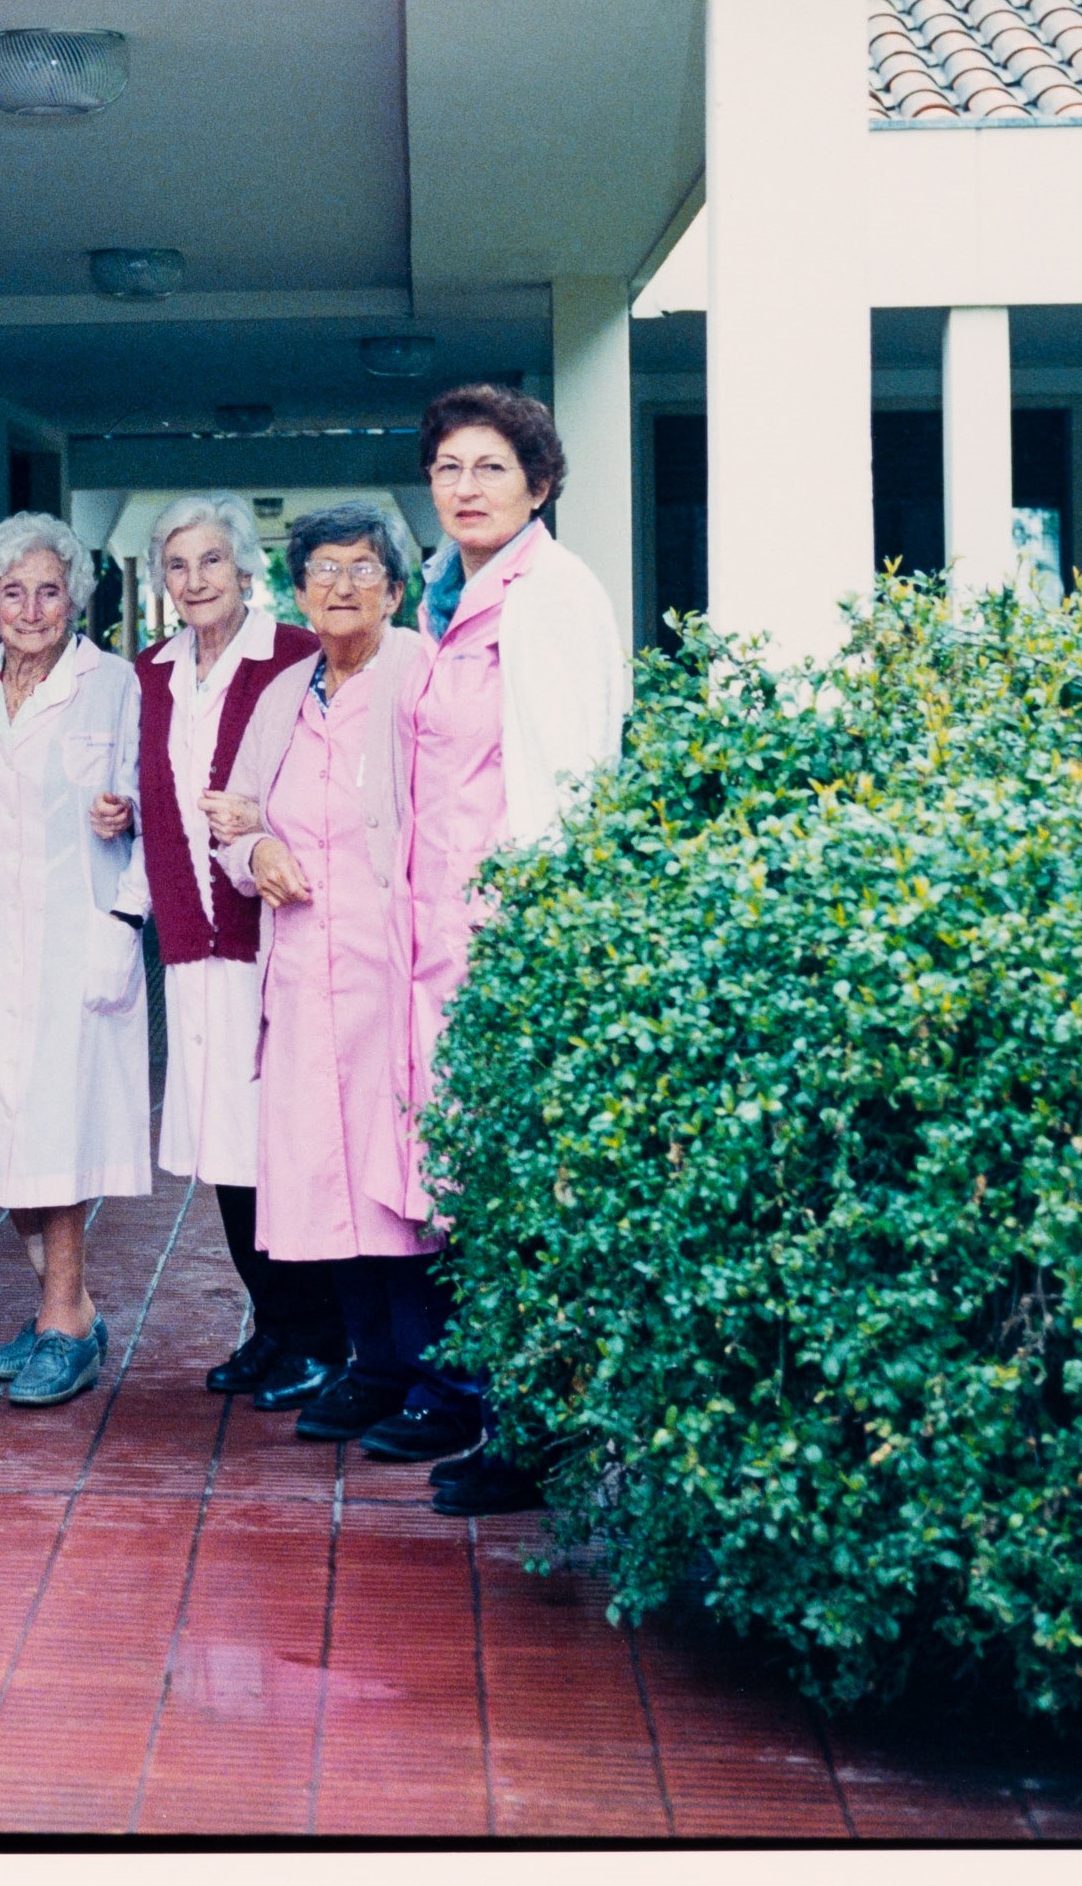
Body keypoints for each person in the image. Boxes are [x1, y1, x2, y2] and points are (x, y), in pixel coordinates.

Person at [389, 383, 628, 1514]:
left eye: (490, 466)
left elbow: (566, 785)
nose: (465, 486)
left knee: (518, 1186)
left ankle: (537, 1433)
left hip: (507, 943)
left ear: (538, 483)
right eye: (447, 467)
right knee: (474, 1186)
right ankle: (506, 1410)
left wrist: (533, 949)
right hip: (442, 936)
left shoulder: (551, 596)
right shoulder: (451, 591)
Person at [206, 504, 444, 1455]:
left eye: (362, 568)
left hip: (396, 970)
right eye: (322, 571)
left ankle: (434, 1378)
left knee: (402, 1178)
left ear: (395, 588)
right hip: (305, 969)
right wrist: (257, 850)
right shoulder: (282, 695)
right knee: (329, 1174)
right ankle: (371, 1366)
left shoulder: (418, 675)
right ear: (296, 591)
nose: (341, 586)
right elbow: (233, 821)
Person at [110, 494, 324, 1409]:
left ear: (244, 568)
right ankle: (274, 1327)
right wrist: (120, 809)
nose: (194, 580)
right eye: (177, 564)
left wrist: (262, 822)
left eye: (210, 561)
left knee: (282, 1144)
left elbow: (317, 785)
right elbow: (146, 780)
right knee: (224, 1147)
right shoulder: (150, 671)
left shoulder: (294, 656)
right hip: (191, 940)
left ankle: (319, 1337)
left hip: (269, 936)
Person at [0, 512, 151, 1408]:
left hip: (77, 931)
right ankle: (71, 1310)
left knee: (56, 1131)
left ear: (75, 600)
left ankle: (63, 1324)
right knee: (3, 1127)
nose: (30, 609)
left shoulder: (114, 683)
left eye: (49, 591)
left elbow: (152, 803)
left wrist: (125, 906)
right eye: (12, 591)